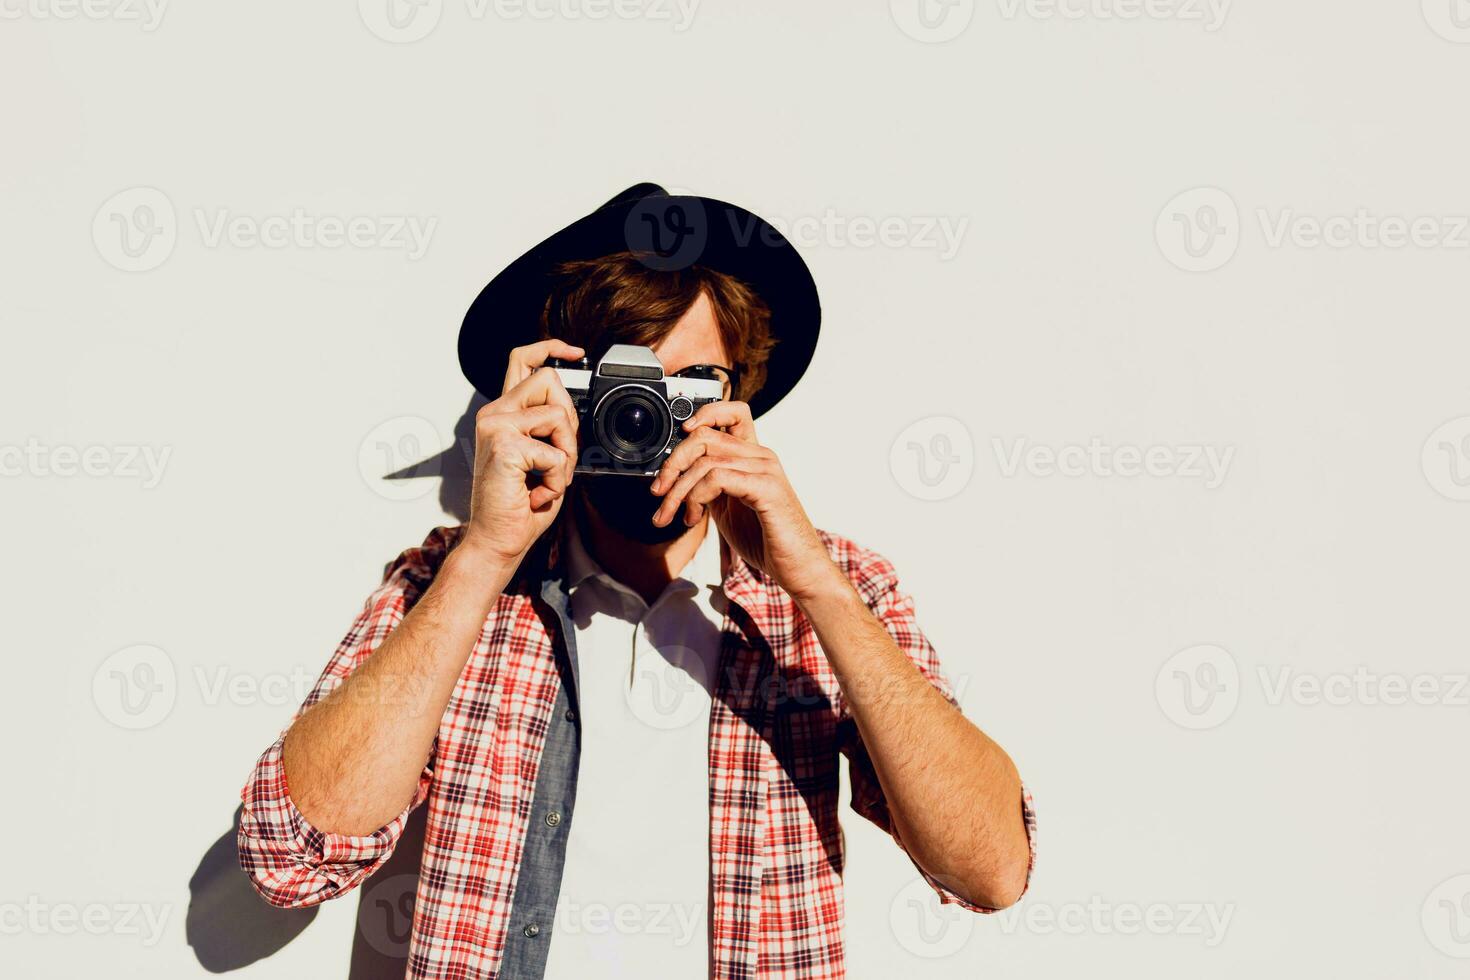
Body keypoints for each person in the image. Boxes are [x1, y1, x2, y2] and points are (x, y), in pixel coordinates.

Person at [238, 184, 1036, 980]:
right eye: (620, 387)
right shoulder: (451, 582)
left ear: (735, 399)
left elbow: (992, 870)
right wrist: (484, 557)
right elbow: (287, 858)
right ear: (553, 391)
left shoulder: (832, 589)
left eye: (681, 387)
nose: (641, 420)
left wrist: (818, 587)